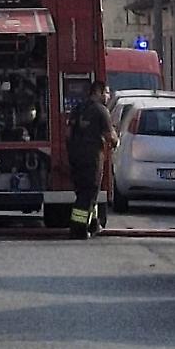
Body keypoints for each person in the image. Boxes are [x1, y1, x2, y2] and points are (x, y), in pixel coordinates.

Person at [67, 80, 118, 239]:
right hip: (92, 158)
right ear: (98, 91)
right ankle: (78, 229)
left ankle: (94, 223)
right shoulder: (101, 111)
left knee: (85, 192)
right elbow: (111, 137)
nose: (108, 96)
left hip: (76, 157)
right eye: (107, 92)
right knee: (87, 194)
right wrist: (117, 141)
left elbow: (68, 134)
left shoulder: (78, 109)